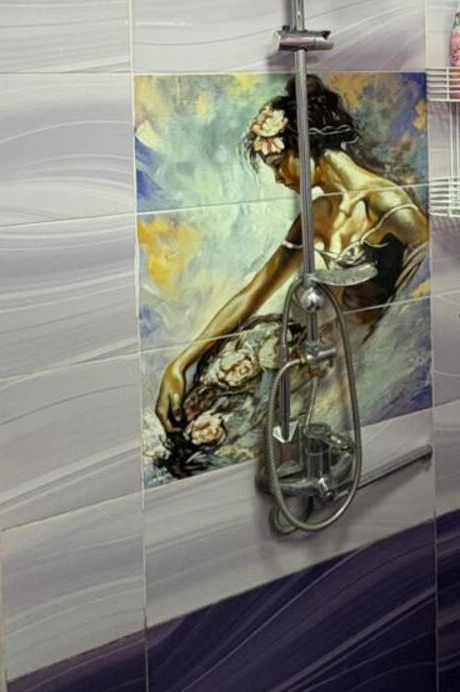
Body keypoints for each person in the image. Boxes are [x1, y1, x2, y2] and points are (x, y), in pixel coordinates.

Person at [151, 76, 429, 461]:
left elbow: (428, 280)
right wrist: (181, 363)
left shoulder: (389, 205)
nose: (278, 177)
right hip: (311, 352)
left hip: (359, 364)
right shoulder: (315, 213)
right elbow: (253, 293)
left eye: (277, 163)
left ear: (304, 148)